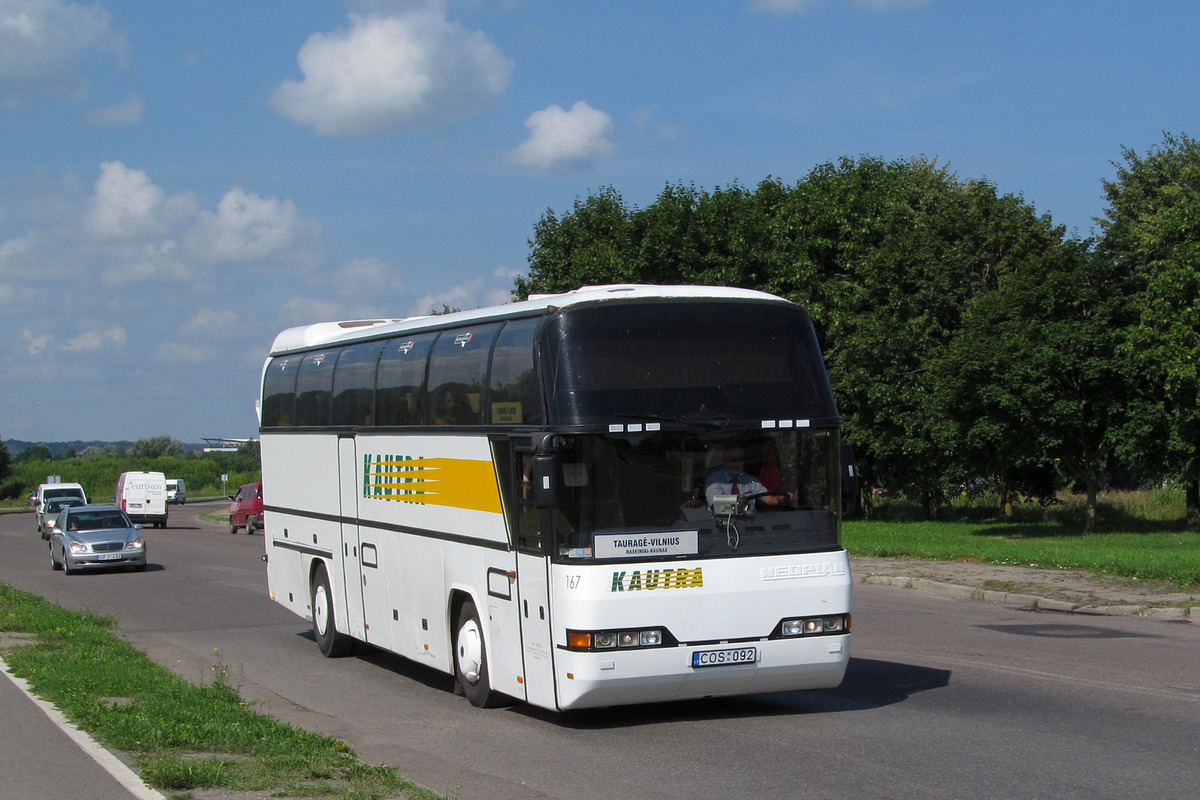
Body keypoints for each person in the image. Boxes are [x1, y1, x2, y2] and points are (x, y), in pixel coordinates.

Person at [705, 445, 794, 509]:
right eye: (733, 460)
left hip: (748, 527)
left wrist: (783, 497)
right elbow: (715, 504)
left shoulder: (751, 481)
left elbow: (769, 499)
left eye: (741, 460)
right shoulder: (714, 480)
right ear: (724, 461)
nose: (738, 464)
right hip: (722, 527)